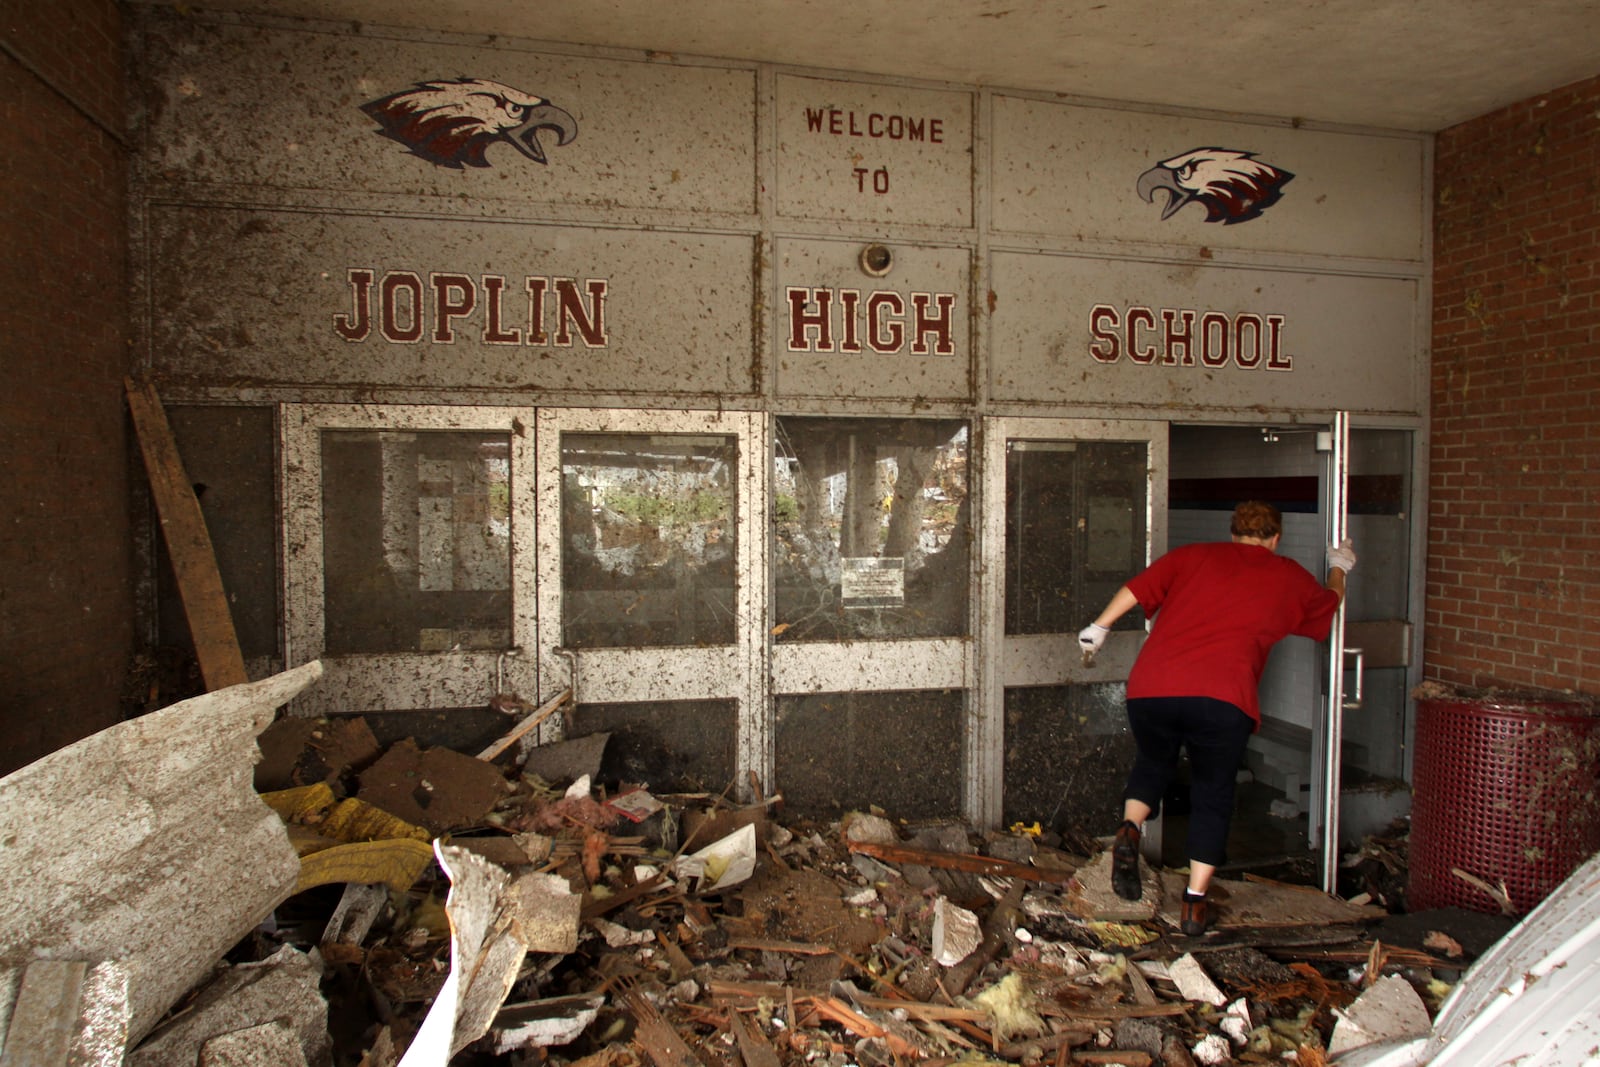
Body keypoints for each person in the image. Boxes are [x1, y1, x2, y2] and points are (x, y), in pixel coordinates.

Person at [1077, 501, 1356, 936]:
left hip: (1153, 688)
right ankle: (1193, 903)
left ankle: (1130, 828)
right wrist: (1339, 567)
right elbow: (1328, 605)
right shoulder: (1287, 575)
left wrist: (1100, 627)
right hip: (1224, 699)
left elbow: (1137, 588)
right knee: (1213, 792)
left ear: (1233, 533)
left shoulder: (1192, 556)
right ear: (1275, 537)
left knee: (1153, 764)